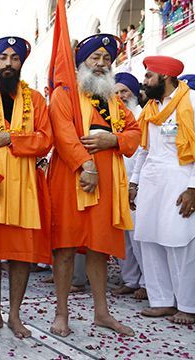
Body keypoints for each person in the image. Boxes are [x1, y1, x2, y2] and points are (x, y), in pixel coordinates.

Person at [48, 34, 140, 337]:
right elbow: (63, 136)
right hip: (70, 178)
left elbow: (135, 133)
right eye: (94, 58)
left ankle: (102, 313)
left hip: (107, 184)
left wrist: (113, 139)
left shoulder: (115, 101)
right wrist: (86, 165)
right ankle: (62, 313)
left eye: (106, 59)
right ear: (82, 62)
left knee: (99, 248)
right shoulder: (64, 95)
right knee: (65, 247)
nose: (101, 64)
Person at [0, 36, 53, 338]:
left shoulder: (37, 100)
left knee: (21, 255)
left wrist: (11, 138)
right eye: (3, 58)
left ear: (21, 64)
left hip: (24, 189)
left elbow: (46, 139)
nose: (8, 63)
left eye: (14, 59)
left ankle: (15, 315)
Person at [134, 56, 195, 325]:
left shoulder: (190, 101)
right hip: (151, 180)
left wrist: (193, 187)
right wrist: (134, 182)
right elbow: (143, 149)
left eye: (149, 76)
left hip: (180, 179)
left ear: (165, 77)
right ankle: (162, 301)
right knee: (149, 239)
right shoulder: (150, 108)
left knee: (178, 242)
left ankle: (187, 305)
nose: (144, 81)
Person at [112, 72, 147, 300]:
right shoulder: (112, 116)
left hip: (138, 184)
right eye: (116, 92)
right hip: (116, 182)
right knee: (122, 236)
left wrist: (135, 182)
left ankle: (146, 282)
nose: (120, 96)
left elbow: (144, 153)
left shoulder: (142, 116)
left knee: (138, 237)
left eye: (124, 91)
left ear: (133, 93)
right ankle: (130, 279)